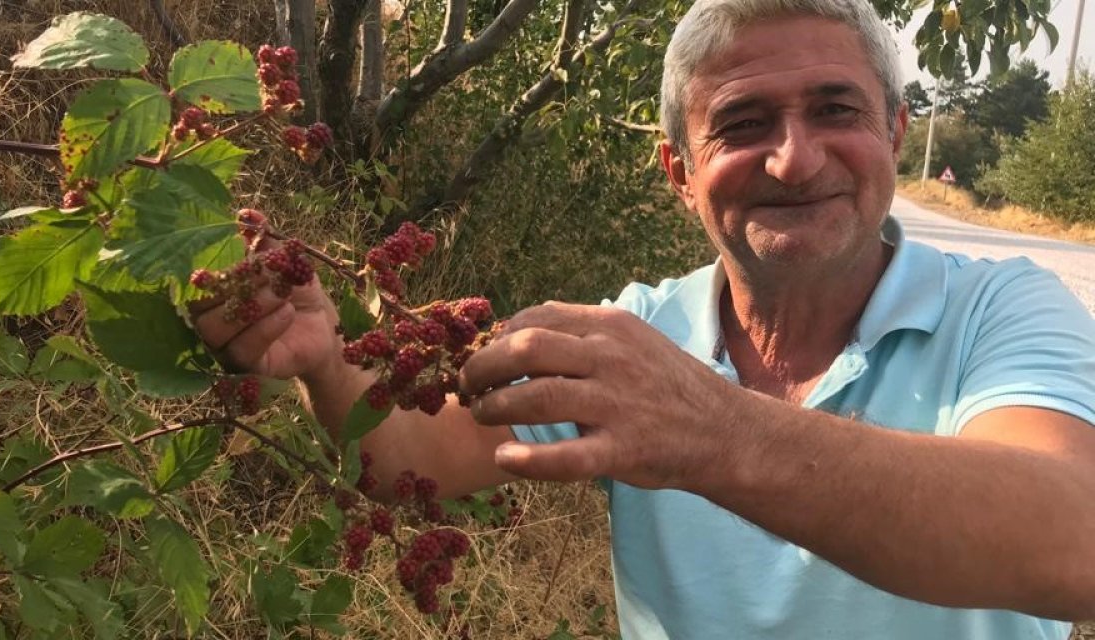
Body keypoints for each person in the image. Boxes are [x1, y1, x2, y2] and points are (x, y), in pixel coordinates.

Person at [194, 0, 1095, 635]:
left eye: (836, 110)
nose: (793, 158)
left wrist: (710, 431)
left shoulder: (1001, 308)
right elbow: (412, 461)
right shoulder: (633, 334)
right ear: (677, 173)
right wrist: (325, 361)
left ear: (895, 135)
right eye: (743, 123)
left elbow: (1073, 541)